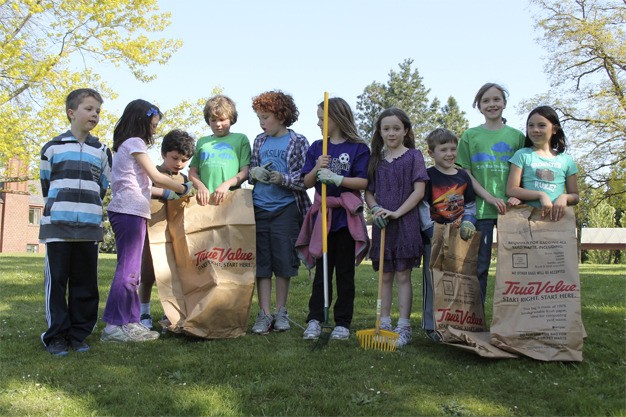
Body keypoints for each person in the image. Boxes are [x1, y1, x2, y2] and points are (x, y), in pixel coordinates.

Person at [101, 99, 193, 343]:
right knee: (127, 271)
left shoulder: (127, 144)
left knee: (134, 273)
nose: (154, 129)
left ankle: (131, 322)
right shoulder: (135, 142)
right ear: (141, 120)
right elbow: (154, 176)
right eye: (153, 124)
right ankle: (113, 326)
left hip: (134, 210)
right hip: (128, 210)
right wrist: (183, 188)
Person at [39, 88, 112, 356]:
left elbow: (103, 186)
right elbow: (47, 185)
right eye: (89, 109)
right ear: (72, 113)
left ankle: (79, 333)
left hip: (89, 228)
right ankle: (56, 335)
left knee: (85, 283)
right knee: (57, 282)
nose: (94, 114)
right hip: (58, 226)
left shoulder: (102, 151)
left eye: (98, 111)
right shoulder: (52, 148)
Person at [297, 97, 370, 341]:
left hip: (346, 218)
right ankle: (315, 318)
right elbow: (306, 182)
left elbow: (363, 182)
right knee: (322, 272)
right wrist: (317, 168)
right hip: (324, 218)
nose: (318, 123)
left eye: (321, 118)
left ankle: (342, 322)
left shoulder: (359, 148)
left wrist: (338, 180)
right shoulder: (318, 147)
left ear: (336, 119)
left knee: (345, 273)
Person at [364, 107, 428, 347]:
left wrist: (397, 213)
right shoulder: (376, 161)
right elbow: (368, 192)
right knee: (385, 276)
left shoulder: (414, 156)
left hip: (405, 223)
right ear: (380, 132)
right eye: (386, 129)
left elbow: (419, 191)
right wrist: (375, 209)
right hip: (383, 224)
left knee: (403, 275)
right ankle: (384, 323)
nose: (391, 133)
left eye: (396, 128)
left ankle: (403, 326)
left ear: (406, 131)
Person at [456, 82, 525, 305]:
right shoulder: (470, 136)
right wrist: (487, 196)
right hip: (482, 210)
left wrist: (518, 195)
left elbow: (525, 170)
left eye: (496, 99)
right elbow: (464, 172)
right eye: (486, 100)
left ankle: (509, 320)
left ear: (504, 103)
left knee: (513, 267)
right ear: (479, 106)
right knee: (480, 266)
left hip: (511, 211)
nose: (492, 104)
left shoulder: (517, 137)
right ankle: (476, 319)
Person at [248, 90, 311, 335]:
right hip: (260, 207)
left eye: (266, 117)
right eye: (259, 118)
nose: (262, 123)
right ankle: (264, 314)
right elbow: (253, 167)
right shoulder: (259, 141)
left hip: (286, 209)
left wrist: (282, 178)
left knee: (284, 261)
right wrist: (255, 173)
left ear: (281, 115)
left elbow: (305, 179)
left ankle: (281, 311)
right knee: (262, 263)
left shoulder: (298, 141)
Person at [420, 128, 477, 341]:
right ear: (431, 153)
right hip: (433, 236)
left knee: (457, 281)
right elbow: (423, 205)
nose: (449, 154)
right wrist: (431, 229)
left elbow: (470, 204)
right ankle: (431, 325)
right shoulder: (427, 176)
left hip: (460, 237)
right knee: (433, 280)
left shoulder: (463, 176)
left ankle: (456, 323)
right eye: (443, 149)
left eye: (453, 149)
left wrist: (469, 222)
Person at [139, 129, 196, 330]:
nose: (179, 163)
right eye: (175, 158)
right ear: (164, 153)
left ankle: (170, 313)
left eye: (184, 160)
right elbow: (141, 192)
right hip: (151, 231)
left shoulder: (185, 181)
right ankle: (143, 311)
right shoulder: (151, 173)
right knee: (147, 275)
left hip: (176, 236)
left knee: (173, 275)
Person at [506, 105, 579, 217]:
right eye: (531, 125)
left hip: (556, 221)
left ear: (554, 129)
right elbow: (511, 189)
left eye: (542, 125)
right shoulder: (522, 155)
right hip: (527, 219)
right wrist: (540, 195)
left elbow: (575, 196)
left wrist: (564, 197)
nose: (535, 130)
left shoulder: (567, 160)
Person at [188, 95, 251, 206]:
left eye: (222, 120)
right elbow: (192, 172)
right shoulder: (202, 142)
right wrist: (201, 187)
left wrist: (226, 184)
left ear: (231, 118)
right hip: (204, 202)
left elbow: (245, 171)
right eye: (213, 120)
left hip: (231, 200)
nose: (218, 124)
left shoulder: (241, 139)